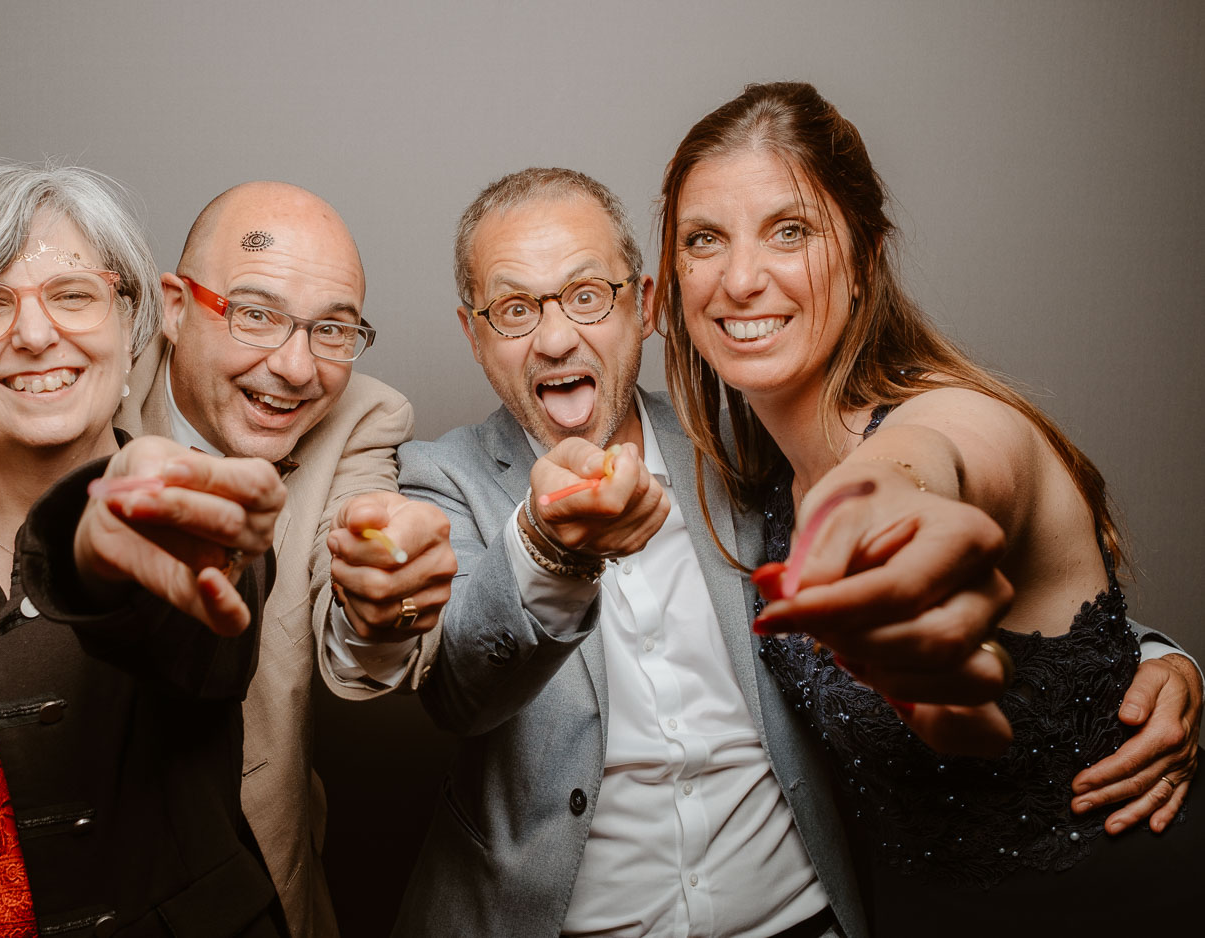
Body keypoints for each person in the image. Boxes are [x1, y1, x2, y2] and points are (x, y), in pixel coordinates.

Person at [316, 167, 1202, 938]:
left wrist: (1142, 660)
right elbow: (459, 682)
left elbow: (931, 517)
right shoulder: (440, 479)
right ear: (474, 333)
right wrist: (549, 551)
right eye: (514, 309)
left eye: (587, 296)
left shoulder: (747, 449)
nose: (554, 338)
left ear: (646, 305)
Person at [0, 180, 448, 937]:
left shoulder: (215, 535)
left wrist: (108, 542)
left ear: (134, 324)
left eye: (74, 295)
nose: (34, 334)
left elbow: (202, 631)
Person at [656, 81, 1201, 935]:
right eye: (704, 240)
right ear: (671, 278)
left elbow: (925, 465)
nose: (741, 279)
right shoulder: (746, 486)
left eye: (789, 231)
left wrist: (878, 522)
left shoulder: (968, 421)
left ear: (867, 256)